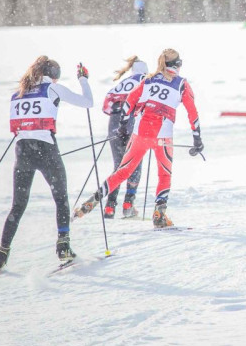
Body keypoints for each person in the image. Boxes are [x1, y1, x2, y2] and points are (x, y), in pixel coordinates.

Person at [75, 48, 204, 228]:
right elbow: (193, 112)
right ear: (177, 65)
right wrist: (197, 139)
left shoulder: (148, 79)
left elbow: (130, 100)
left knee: (123, 172)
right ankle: (159, 214)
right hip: (163, 136)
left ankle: (92, 201)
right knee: (164, 175)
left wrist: (122, 125)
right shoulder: (182, 83)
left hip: (140, 133)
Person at [0, 56, 93, 272]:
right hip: (46, 150)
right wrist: (83, 79)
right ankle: (63, 246)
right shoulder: (52, 88)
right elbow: (88, 103)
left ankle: (1, 253)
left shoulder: (18, 93)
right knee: (61, 198)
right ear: (53, 75)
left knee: (18, 206)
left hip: (22, 153)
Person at [101, 56, 149, 218]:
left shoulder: (121, 83)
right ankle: (128, 204)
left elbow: (106, 105)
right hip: (132, 122)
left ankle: (110, 206)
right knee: (135, 164)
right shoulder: (146, 81)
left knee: (119, 166)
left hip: (114, 124)